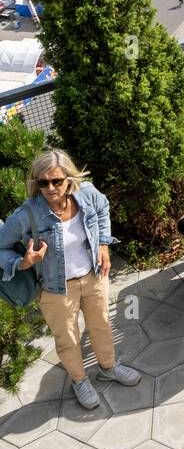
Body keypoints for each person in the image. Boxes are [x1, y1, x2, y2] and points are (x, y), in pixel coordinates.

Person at [0, 150, 141, 411]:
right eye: (43, 183)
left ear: (69, 178)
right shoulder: (27, 214)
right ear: (36, 183)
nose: (51, 188)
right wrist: (24, 262)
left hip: (94, 276)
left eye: (57, 181)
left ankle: (109, 368)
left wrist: (104, 245)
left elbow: (102, 208)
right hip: (55, 290)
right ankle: (79, 380)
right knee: (68, 338)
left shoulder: (86, 193)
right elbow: (1, 246)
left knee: (101, 325)